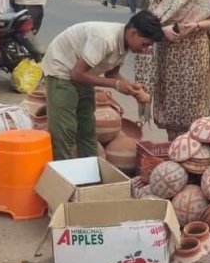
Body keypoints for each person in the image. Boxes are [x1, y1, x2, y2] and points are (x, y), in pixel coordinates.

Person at [42, 12, 165, 161]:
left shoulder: (125, 43)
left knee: (87, 128)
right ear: (133, 33)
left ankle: (90, 175)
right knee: (64, 130)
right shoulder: (105, 39)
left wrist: (132, 88)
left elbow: (112, 75)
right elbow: (76, 74)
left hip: (83, 73)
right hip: (61, 70)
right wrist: (117, 85)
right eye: (145, 44)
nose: (145, 49)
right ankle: (64, 175)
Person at [134, 0, 210, 140]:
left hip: (196, 53)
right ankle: (173, 143)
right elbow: (150, 23)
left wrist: (197, 25)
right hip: (169, 54)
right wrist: (164, 30)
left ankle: (195, 145)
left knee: (194, 101)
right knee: (171, 101)